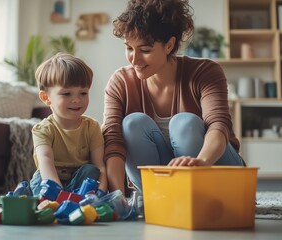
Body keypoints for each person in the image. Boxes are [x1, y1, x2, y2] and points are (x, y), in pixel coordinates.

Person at [102, 0, 245, 196]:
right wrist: (117, 196)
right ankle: (160, 196)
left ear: (169, 45)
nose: (134, 59)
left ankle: (205, 194)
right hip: (166, 185)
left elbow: (218, 126)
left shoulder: (205, 72)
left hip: (216, 171)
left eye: (145, 50)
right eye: (129, 48)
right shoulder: (121, 82)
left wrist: (201, 162)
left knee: (184, 123)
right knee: (131, 124)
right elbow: (113, 143)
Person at [30, 52, 107, 196]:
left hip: (79, 180)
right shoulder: (42, 129)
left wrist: (102, 191)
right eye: (67, 94)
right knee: (41, 179)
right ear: (46, 97)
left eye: (83, 93)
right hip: (50, 178)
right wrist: (57, 192)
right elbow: (45, 160)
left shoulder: (92, 127)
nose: (77, 100)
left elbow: (100, 166)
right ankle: (52, 200)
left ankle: (75, 199)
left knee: (91, 170)